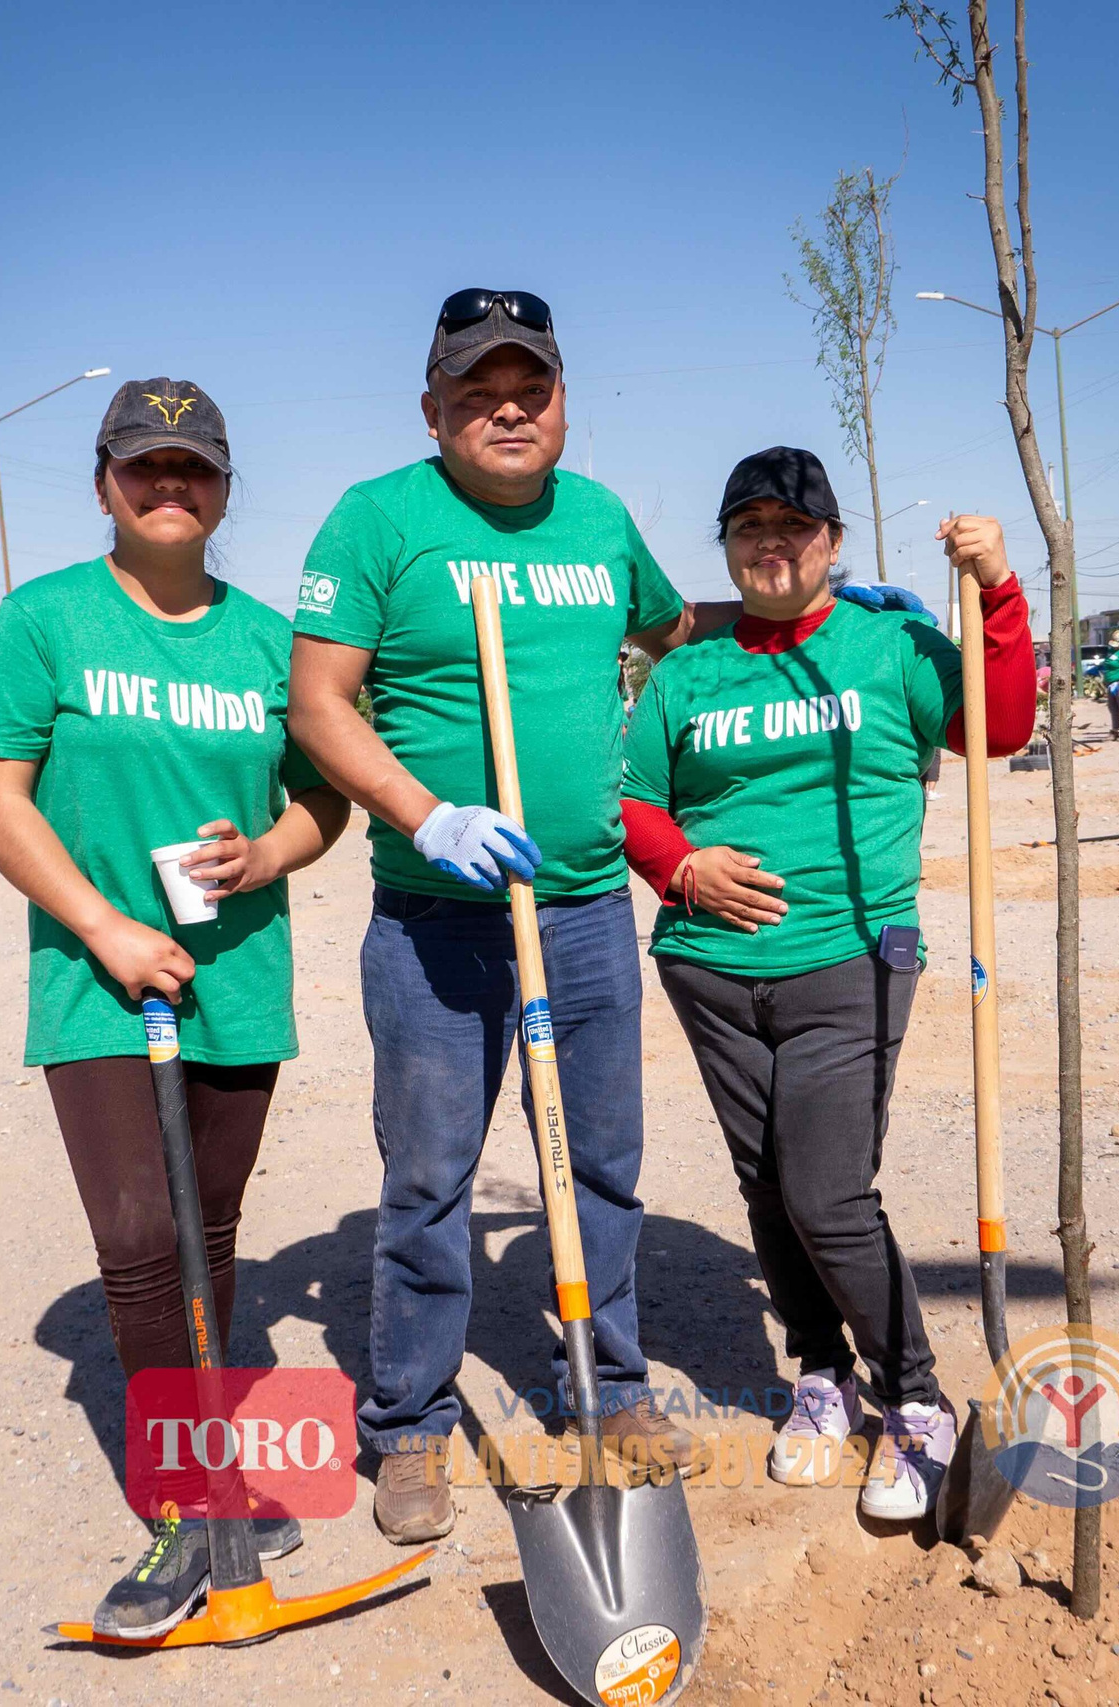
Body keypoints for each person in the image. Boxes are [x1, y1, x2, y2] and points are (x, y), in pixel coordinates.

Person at [289, 287, 767, 1543]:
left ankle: (607, 1389)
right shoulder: (379, 521)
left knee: (599, 1163)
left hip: (585, 909)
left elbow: (674, 635)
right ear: (433, 405)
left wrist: (776, 638)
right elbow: (319, 705)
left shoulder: (601, 518)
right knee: (432, 1176)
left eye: (530, 387)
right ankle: (408, 1427)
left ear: (562, 396)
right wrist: (422, 814)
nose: (507, 407)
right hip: (436, 922)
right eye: (478, 388)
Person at [0, 376, 351, 1641]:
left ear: (226, 488)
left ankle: (223, 1456)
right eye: (146, 468)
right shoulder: (46, 619)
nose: (170, 488)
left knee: (210, 1231)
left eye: (195, 470)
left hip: (235, 974)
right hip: (95, 979)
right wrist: (104, 927)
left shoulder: (265, 638)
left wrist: (271, 854)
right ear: (104, 482)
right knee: (138, 1234)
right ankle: (190, 1503)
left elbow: (323, 796)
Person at [619, 453, 1034, 1522]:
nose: (772, 546)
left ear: (832, 542)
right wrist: (681, 867)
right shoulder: (686, 676)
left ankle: (915, 1399)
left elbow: (996, 725)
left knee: (826, 1191)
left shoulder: (889, 646)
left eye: (793, 528)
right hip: (709, 969)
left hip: (850, 956)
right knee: (766, 1189)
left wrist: (995, 591)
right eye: (749, 528)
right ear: (725, 549)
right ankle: (818, 1374)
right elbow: (635, 801)